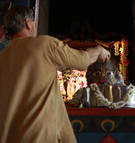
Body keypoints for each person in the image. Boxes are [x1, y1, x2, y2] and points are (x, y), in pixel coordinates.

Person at [0, 6, 110, 143]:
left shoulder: (3, 56)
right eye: (34, 23)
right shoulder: (43, 44)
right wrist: (99, 50)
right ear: (28, 23)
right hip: (38, 136)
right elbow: (82, 60)